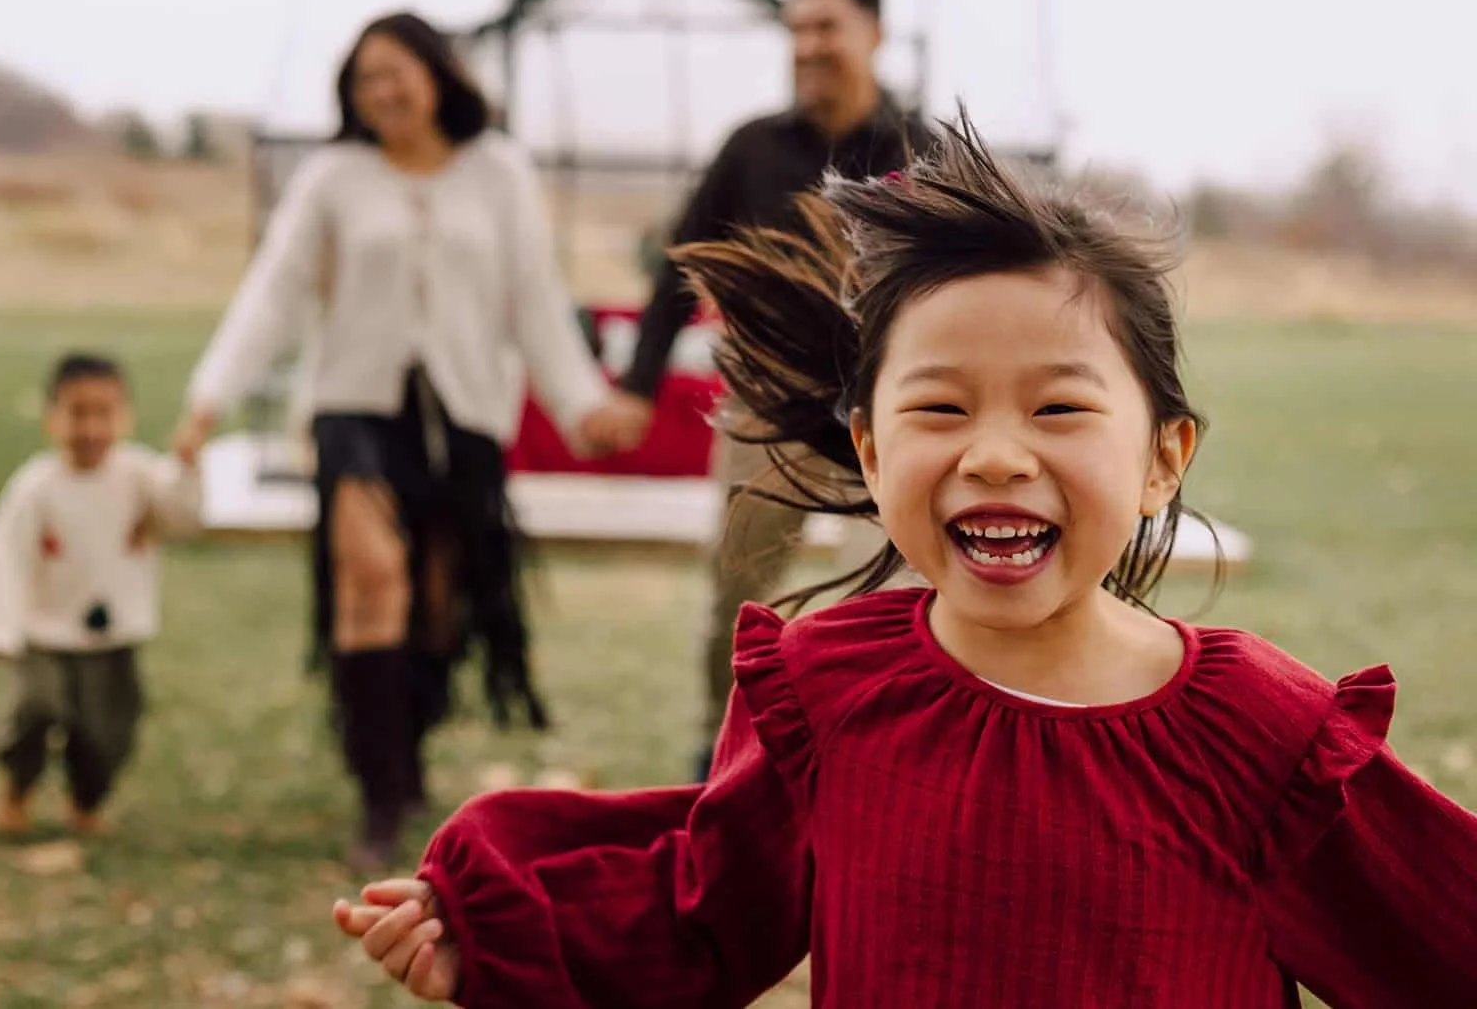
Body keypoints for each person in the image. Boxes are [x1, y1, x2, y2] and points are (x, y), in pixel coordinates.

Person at [331, 111, 1477, 1006]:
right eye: (938, 406)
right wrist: (491, 933)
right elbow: (699, 908)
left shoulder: (1262, 734)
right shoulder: (824, 687)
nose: (991, 454)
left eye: (1059, 408)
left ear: (1161, 459)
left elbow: (1441, 935)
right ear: (873, 451)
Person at [170, 11, 618, 873]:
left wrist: (580, 405)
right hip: (354, 409)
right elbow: (275, 294)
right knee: (369, 576)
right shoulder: (333, 176)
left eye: (395, 72)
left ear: (438, 73)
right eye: (364, 79)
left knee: (438, 602)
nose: (382, 91)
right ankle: (380, 796)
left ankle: (406, 747)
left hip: (464, 417)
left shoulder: (499, 172)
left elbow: (534, 297)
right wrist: (209, 398)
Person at [596, 0, 935, 780]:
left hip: (888, 419)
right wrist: (638, 388)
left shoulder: (923, 150)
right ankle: (722, 754)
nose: (808, 46)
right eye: (797, 30)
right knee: (741, 598)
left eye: (827, 28)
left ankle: (869, 759)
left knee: (896, 597)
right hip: (765, 411)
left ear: (874, 36)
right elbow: (678, 269)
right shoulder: (751, 149)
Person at [0, 353, 202, 836]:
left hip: (113, 633)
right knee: (35, 708)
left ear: (126, 415)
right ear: (52, 418)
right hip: (44, 633)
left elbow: (183, 518)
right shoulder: (36, 488)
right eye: (78, 413)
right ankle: (17, 785)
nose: (91, 427)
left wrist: (186, 468)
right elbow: (4, 558)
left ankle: (86, 800)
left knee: (107, 730)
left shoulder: (138, 476)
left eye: (105, 413)